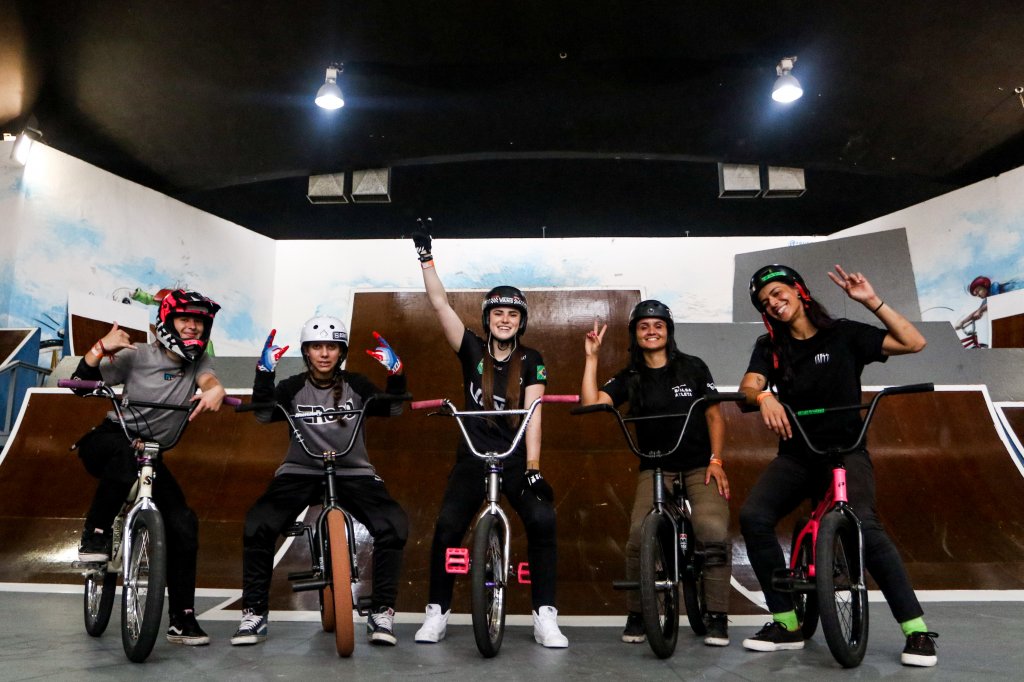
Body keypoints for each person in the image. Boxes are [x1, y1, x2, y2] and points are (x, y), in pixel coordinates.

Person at [738, 264, 938, 667]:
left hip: (846, 453)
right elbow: (748, 387)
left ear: (799, 290)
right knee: (753, 516)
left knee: (865, 525)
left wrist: (872, 301)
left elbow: (914, 342)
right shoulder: (770, 346)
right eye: (765, 302)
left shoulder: (844, 334)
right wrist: (764, 397)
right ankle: (786, 622)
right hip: (797, 455)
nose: (773, 303)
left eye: (778, 293)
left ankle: (916, 630)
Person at [409, 231, 568, 648]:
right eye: (498, 313)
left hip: (513, 459)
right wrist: (426, 259)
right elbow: (440, 304)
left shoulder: (532, 360)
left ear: (521, 322)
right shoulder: (471, 351)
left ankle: (545, 616)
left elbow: (534, 414)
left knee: (543, 520)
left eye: (512, 315)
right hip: (473, 457)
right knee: (447, 525)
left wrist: (533, 467)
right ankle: (437, 613)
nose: (505, 320)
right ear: (487, 319)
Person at [230, 317, 409, 647]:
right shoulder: (293, 387)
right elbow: (263, 414)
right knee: (258, 525)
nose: (324, 353)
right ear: (306, 352)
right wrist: (264, 374)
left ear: (341, 352)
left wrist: (396, 374)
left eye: (331, 347)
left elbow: (394, 409)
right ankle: (254, 613)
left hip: (353, 472)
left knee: (393, 525)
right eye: (316, 347)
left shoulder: (357, 385)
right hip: (300, 471)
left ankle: (382, 611)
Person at [72, 289, 225, 646]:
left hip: (151, 456)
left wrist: (216, 390)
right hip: (111, 440)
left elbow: (208, 381)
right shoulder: (137, 355)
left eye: (198, 321)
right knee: (125, 456)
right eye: (184, 319)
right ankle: (95, 534)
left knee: (183, 523)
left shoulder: (199, 362)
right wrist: (100, 347)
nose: (192, 326)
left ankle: (182, 619)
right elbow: (80, 385)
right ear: (167, 322)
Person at [580, 300, 733, 647]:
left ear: (668, 331)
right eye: (644, 326)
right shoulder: (629, 377)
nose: (651, 331)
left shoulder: (693, 367)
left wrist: (716, 460)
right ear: (635, 334)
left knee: (712, 529)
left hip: (699, 465)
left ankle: (717, 616)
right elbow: (592, 404)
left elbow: (714, 416)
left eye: (658, 325)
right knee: (638, 536)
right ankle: (639, 613)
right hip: (655, 467)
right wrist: (591, 358)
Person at [955, 274, 1024, 331]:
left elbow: (994, 301)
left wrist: (980, 311)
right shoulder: (986, 301)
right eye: (976, 295)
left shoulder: (994, 286)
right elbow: (977, 311)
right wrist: (962, 322)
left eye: (978, 291)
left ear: (985, 285)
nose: (978, 295)